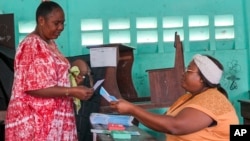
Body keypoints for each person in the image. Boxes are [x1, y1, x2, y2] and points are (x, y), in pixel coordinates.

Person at [5, 1, 94, 140]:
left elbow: (52, 76)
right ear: (41, 20)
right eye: (56, 23)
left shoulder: (50, 43)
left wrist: (71, 80)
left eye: (63, 23)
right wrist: (71, 91)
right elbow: (33, 87)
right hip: (36, 123)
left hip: (52, 121)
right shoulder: (31, 45)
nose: (61, 27)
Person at [110, 54, 239, 141]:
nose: (183, 73)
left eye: (189, 71)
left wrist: (133, 110)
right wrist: (131, 110)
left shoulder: (213, 99)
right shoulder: (186, 98)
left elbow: (175, 127)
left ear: (202, 79)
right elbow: (163, 122)